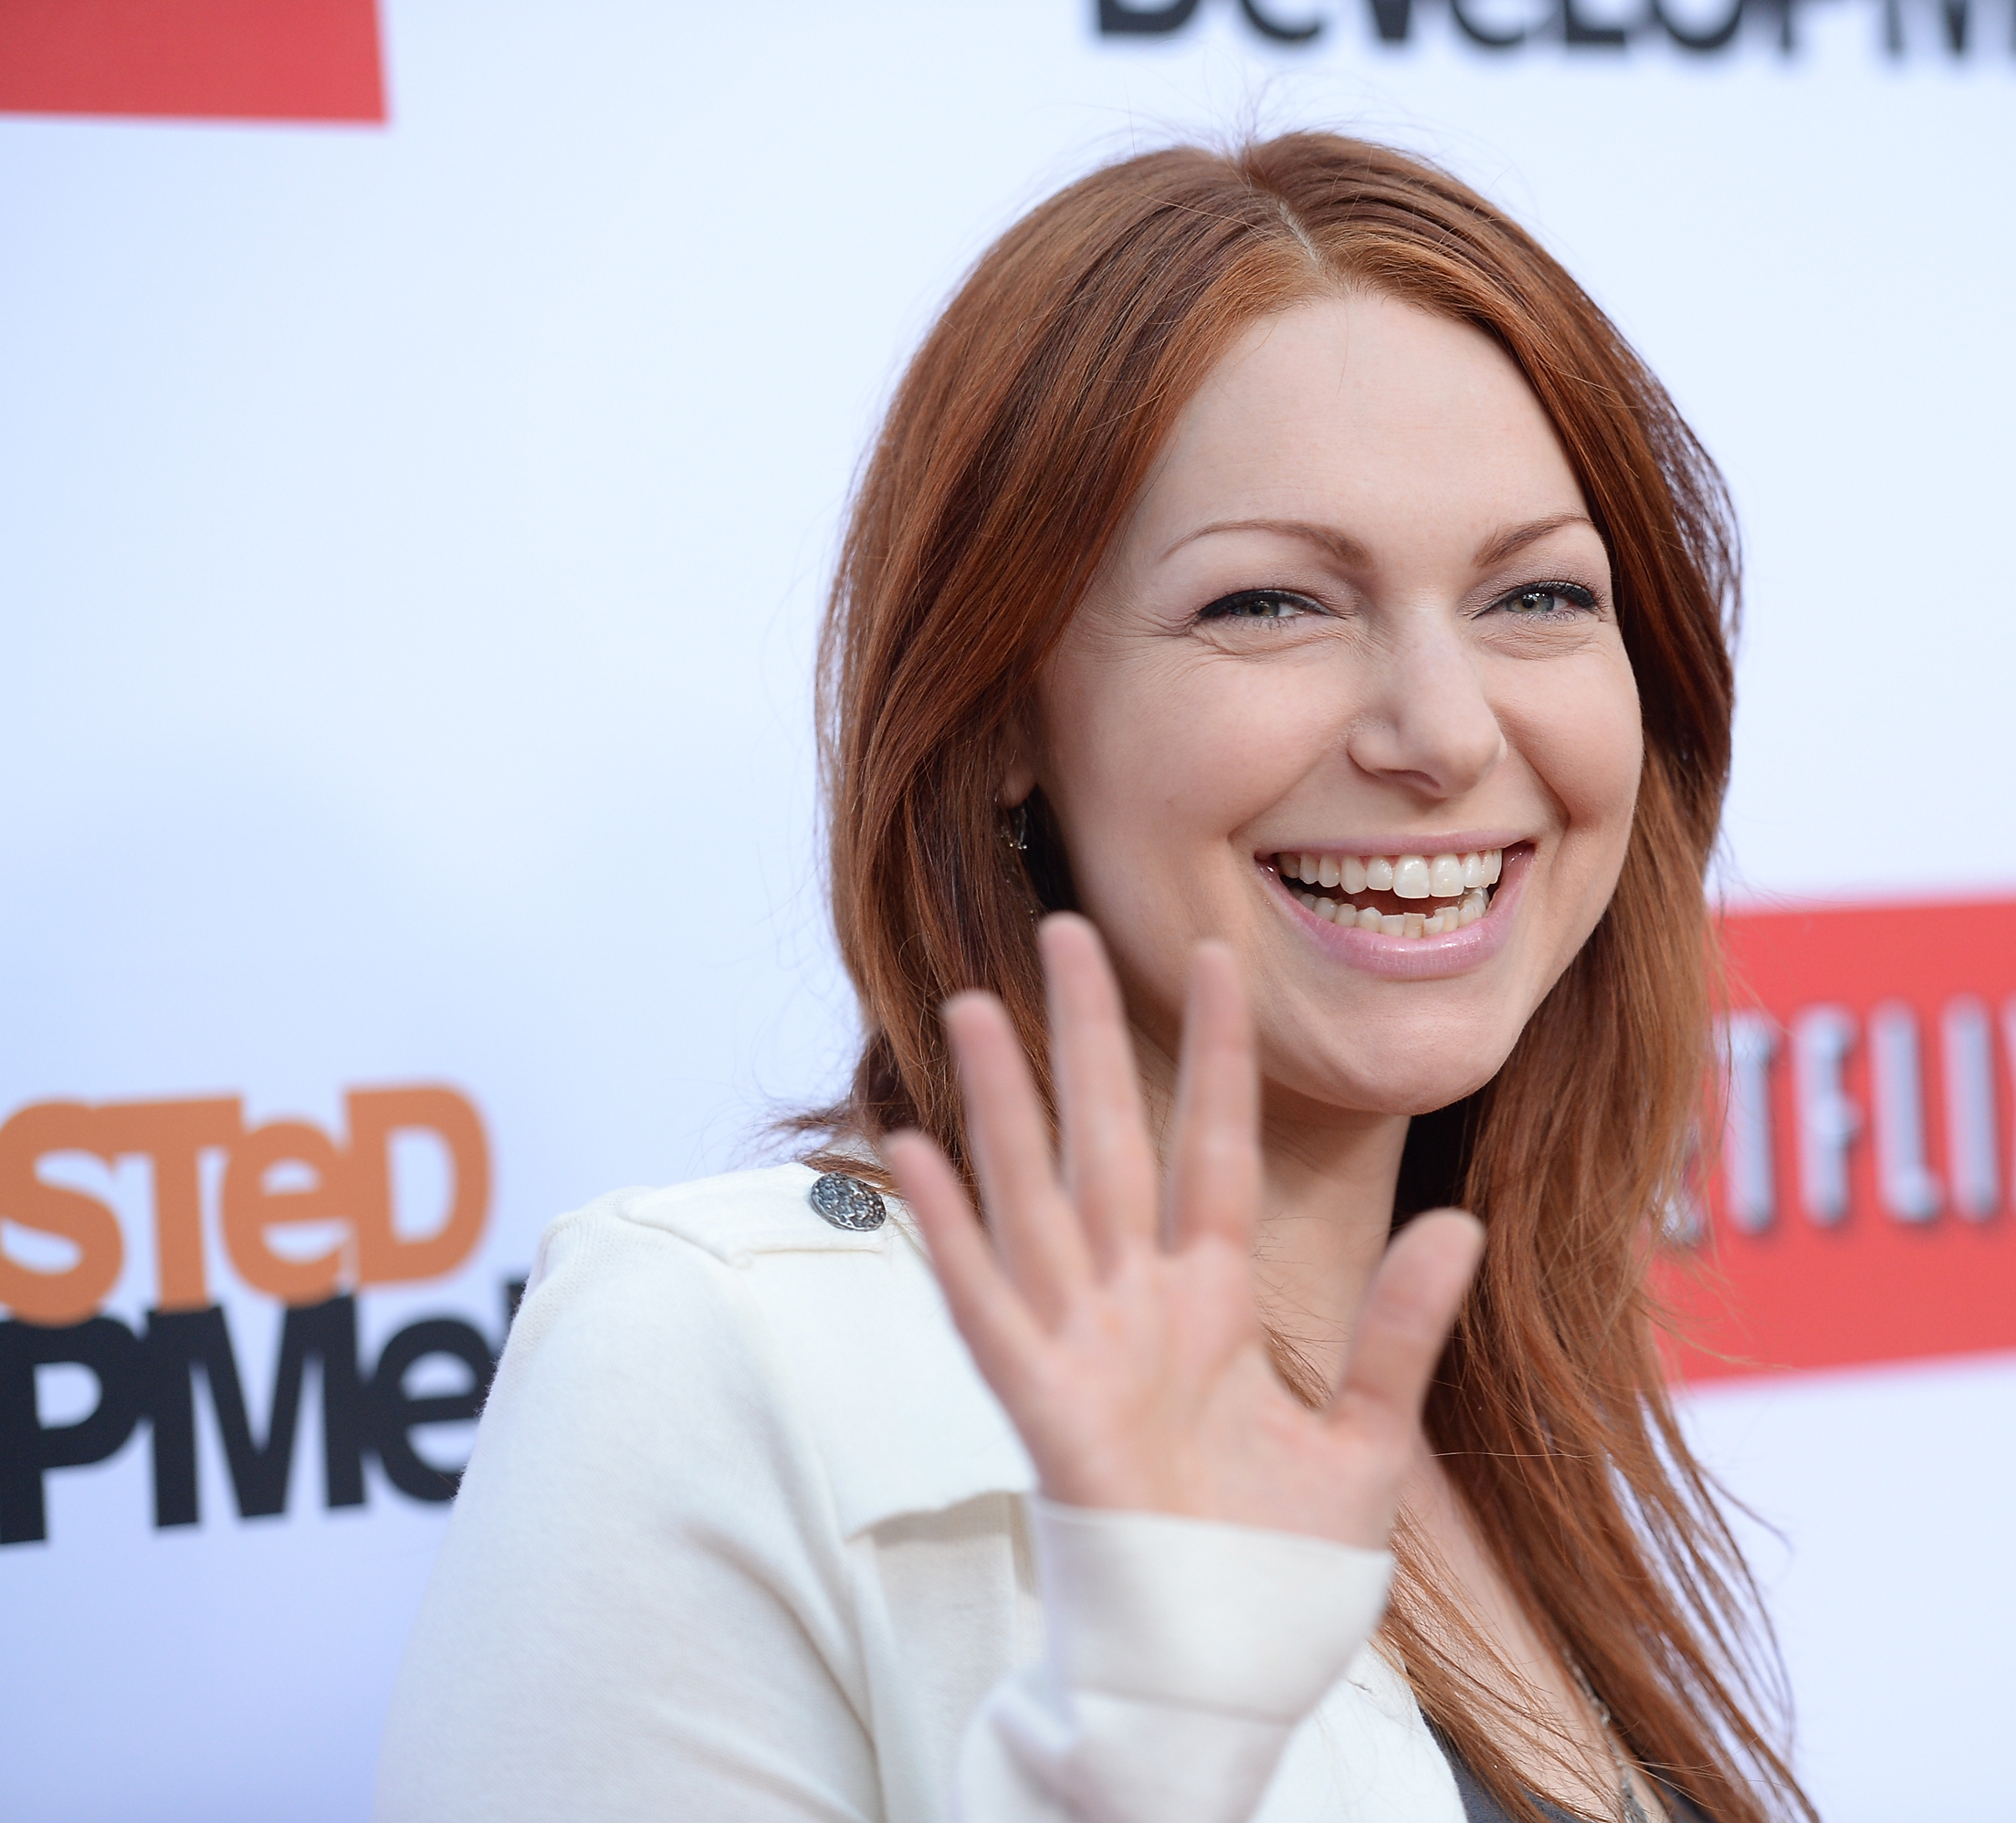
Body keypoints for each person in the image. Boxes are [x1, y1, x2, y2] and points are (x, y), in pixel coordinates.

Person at [375, 132, 1811, 1823]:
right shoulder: (720, 1355)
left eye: (1539, 595)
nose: (1442, 730)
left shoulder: (1506, 1391)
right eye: (1271, 602)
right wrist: (1148, 1744)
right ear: (999, 716)